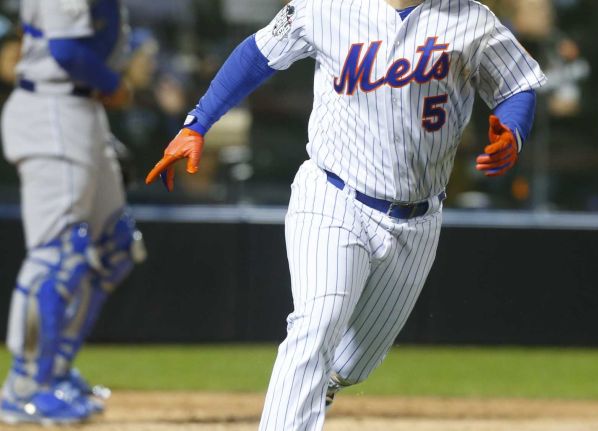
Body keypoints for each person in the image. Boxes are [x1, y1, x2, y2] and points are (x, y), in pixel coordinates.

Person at [146, 0, 545, 428]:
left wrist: (514, 130)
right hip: (333, 195)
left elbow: (516, 84)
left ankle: (323, 385)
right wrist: (197, 123)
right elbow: (258, 53)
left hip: (419, 218)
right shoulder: (325, 7)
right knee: (316, 325)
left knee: (352, 364)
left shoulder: (472, 18)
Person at [0, 0, 145, 425]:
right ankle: (24, 387)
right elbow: (66, 50)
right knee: (57, 255)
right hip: (52, 109)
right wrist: (113, 83)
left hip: (82, 110)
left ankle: (54, 373)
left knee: (114, 245)